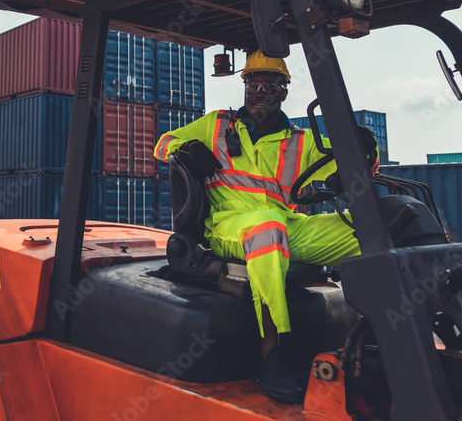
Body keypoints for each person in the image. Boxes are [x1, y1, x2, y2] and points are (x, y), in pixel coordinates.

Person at [153, 50, 369, 404]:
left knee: (368, 231)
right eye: (253, 83)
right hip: (229, 228)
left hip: (286, 226)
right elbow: (162, 144)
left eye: (269, 84)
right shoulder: (216, 125)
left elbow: (351, 168)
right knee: (266, 228)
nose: (259, 91)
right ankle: (272, 353)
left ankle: (371, 337)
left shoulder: (301, 142)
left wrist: (363, 151)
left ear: (284, 91)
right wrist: (189, 146)